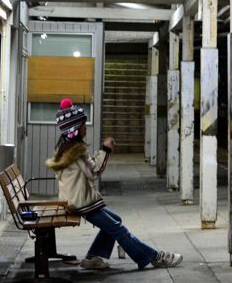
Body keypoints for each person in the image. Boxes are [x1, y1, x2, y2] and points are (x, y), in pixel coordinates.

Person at [45, 98, 182, 270]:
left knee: (115, 220)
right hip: (81, 203)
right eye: (83, 125)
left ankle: (94, 257)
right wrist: (106, 150)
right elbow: (94, 172)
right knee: (118, 229)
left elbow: (88, 169)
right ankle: (153, 257)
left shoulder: (64, 148)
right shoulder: (75, 152)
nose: (85, 128)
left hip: (76, 199)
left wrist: (99, 155)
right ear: (74, 129)